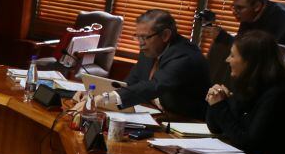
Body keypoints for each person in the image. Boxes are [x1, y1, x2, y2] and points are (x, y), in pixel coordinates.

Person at [74, 9, 210, 119]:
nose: (140, 43)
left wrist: (104, 99)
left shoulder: (185, 56)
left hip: (187, 122)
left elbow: (155, 85)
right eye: (137, 37)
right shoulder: (150, 49)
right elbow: (130, 84)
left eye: (144, 37)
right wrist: (94, 95)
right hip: (159, 114)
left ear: (165, 35)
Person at [203, 0, 285, 49]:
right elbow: (242, 42)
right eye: (233, 7)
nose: (234, 12)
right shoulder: (249, 16)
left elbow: (262, 52)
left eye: (239, 8)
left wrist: (224, 38)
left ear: (257, 6)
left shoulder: (280, 17)